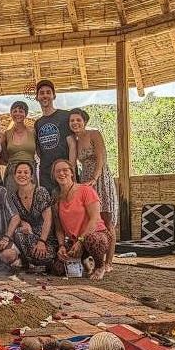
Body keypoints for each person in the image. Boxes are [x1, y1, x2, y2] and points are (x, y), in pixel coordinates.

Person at [67, 107, 119, 271]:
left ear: (85, 121)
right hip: (85, 180)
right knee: (90, 219)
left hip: (100, 177)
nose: (75, 123)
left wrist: (95, 179)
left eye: (78, 120)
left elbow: (101, 158)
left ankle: (109, 261)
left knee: (106, 219)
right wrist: (74, 183)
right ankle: (94, 258)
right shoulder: (74, 141)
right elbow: (72, 164)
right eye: (72, 121)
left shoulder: (94, 134)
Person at [51, 159, 111, 280]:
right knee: (58, 269)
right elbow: (58, 228)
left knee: (93, 239)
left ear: (72, 173)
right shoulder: (56, 198)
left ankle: (100, 266)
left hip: (97, 235)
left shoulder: (86, 190)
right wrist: (62, 246)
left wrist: (80, 241)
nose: (61, 173)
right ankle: (83, 262)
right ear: (53, 175)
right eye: (58, 171)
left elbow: (94, 219)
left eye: (65, 170)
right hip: (76, 241)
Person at [10, 161, 57, 270]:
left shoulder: (41, 191)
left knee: (44, 257)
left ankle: (38, 260)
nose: (22, 175)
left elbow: (48, 220)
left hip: (46, 236)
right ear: (14, 176)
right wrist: (23, 222)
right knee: (18, 232)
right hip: (29, 235)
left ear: (31, 176)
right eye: (19, 172)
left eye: (26, 172)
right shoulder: (14, 197)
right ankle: (29, 260)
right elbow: (15, 217)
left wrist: (42, 241)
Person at [34, 79, 71, 194]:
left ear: (54, 96)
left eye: (48, 92)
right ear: (37, 98)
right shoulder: (38, 123)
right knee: (49, 207)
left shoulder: (65, 116)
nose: (45, 95)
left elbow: (73, 145)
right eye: (42, 93)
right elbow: (39, 150)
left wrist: (72, 168)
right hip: (46, 173)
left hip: (64, 171)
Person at [1, 100, 37, 194]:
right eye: (15, 111)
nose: (18, 113)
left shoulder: (33, 131)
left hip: (30, 170)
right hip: (13, 171)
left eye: (21, 111)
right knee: (11, 200)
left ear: (26, 114)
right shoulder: (7, 134)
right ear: (11, 113)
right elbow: (4, 156)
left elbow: (40, 151)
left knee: (30, 199)